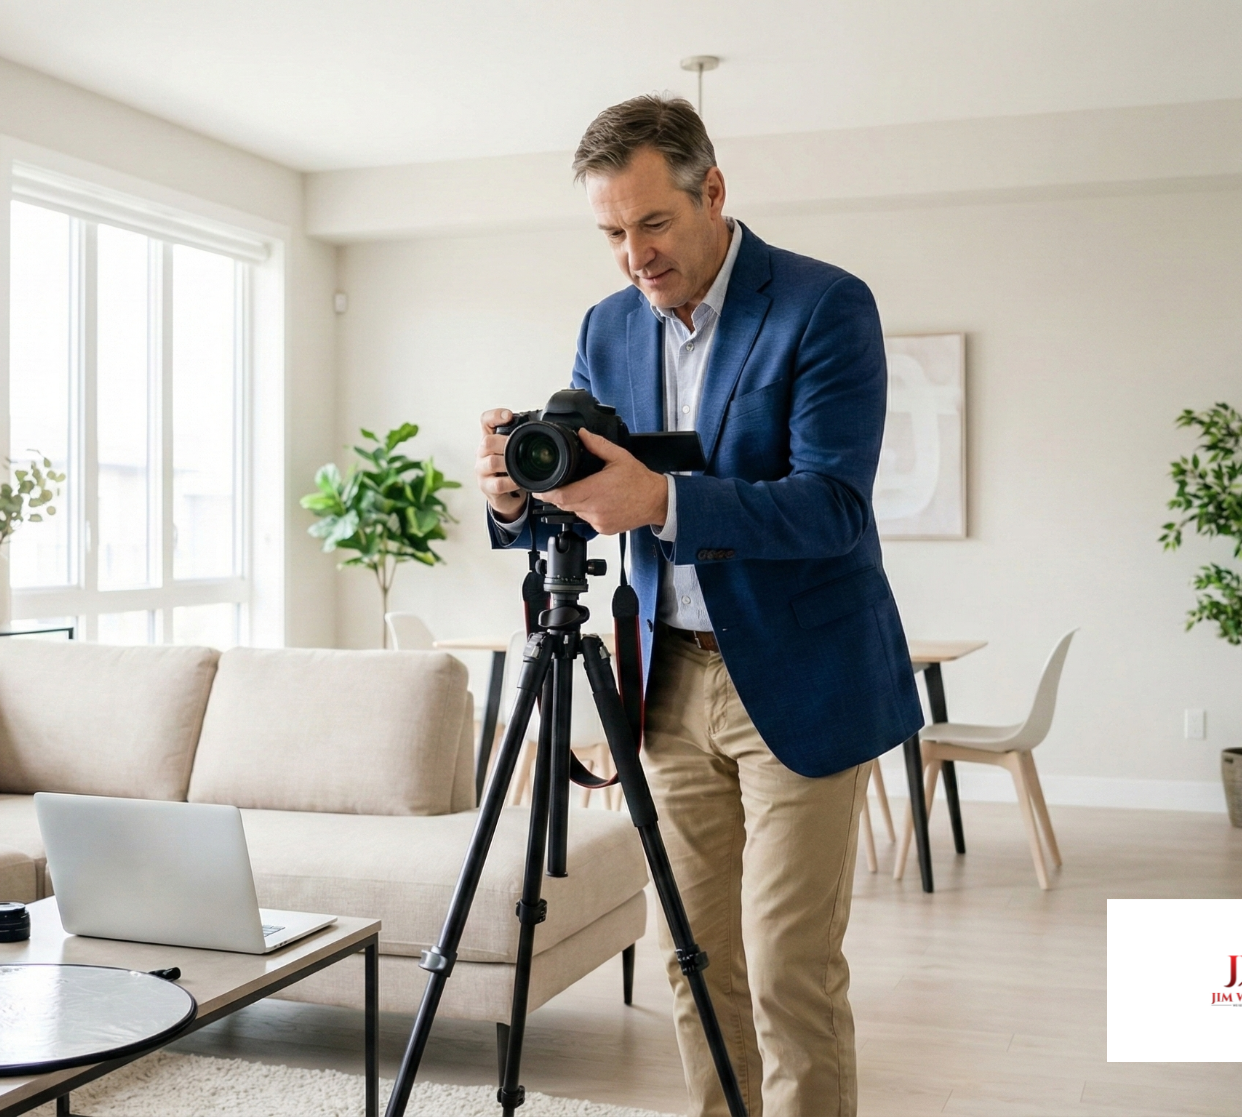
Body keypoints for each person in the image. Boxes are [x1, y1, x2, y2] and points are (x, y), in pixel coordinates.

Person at [478, 95, 923, 1117]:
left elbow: (833, 506)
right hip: (663, 683)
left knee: (783, 970)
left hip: (800, 680)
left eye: (651, 223)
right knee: (692, 957)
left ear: (710, 191)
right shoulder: (606, 328)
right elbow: (583, 501)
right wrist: (518, 499)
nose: (632, 256)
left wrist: (664, 501)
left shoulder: (822, 304)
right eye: (609, 233)